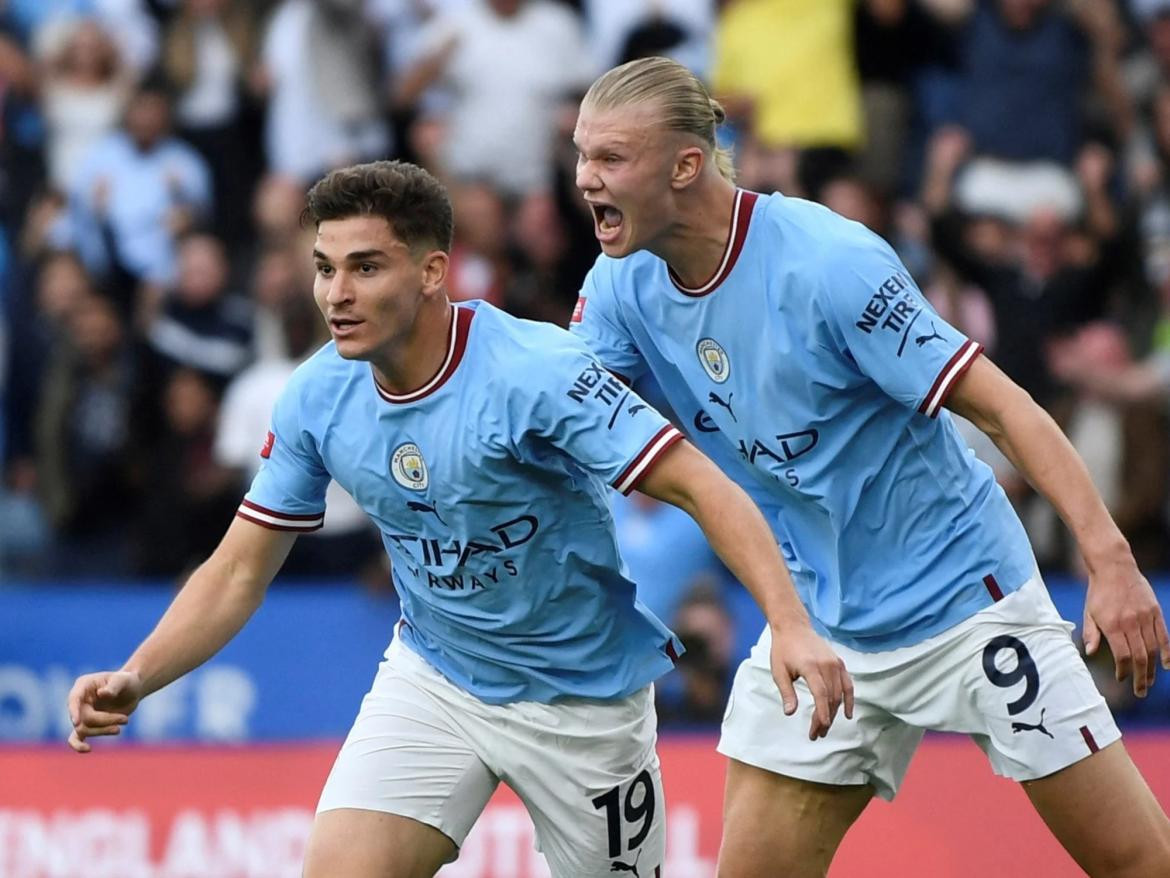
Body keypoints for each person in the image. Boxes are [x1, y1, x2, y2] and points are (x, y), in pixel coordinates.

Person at [65, 160, 851, 878]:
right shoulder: (316, 397)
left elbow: (703, 486)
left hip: (582, 702)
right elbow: (238, 570)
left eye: (366, 267)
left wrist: (789, 624)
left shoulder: (536, 372)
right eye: (324, 268)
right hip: (437, 678)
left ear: (432, 271)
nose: (336, 293)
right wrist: (140, 674)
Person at [569, 56, 1170, 877]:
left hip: (968, 601)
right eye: (581, 155)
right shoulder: (618, 283)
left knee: (1137, 863)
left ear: (684, 165)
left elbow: (1004, 407)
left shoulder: (828, 261)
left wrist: (1110, 558)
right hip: (826, 629)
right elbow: (567, 426)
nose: (584, 179)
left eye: (609, 159)